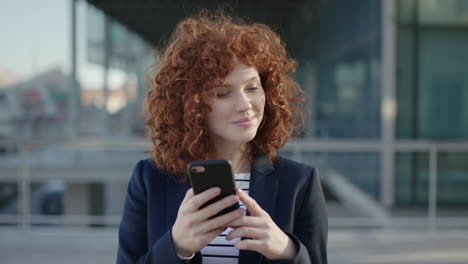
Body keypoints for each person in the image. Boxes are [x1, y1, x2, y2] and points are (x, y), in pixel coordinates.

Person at [117, 12, 328, 264]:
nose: (245, 105)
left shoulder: (299, 183)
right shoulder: (149, 179)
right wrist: (177, 247)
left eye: (252, 87)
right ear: (192, 103)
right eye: (223, 93)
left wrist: (286, 250)